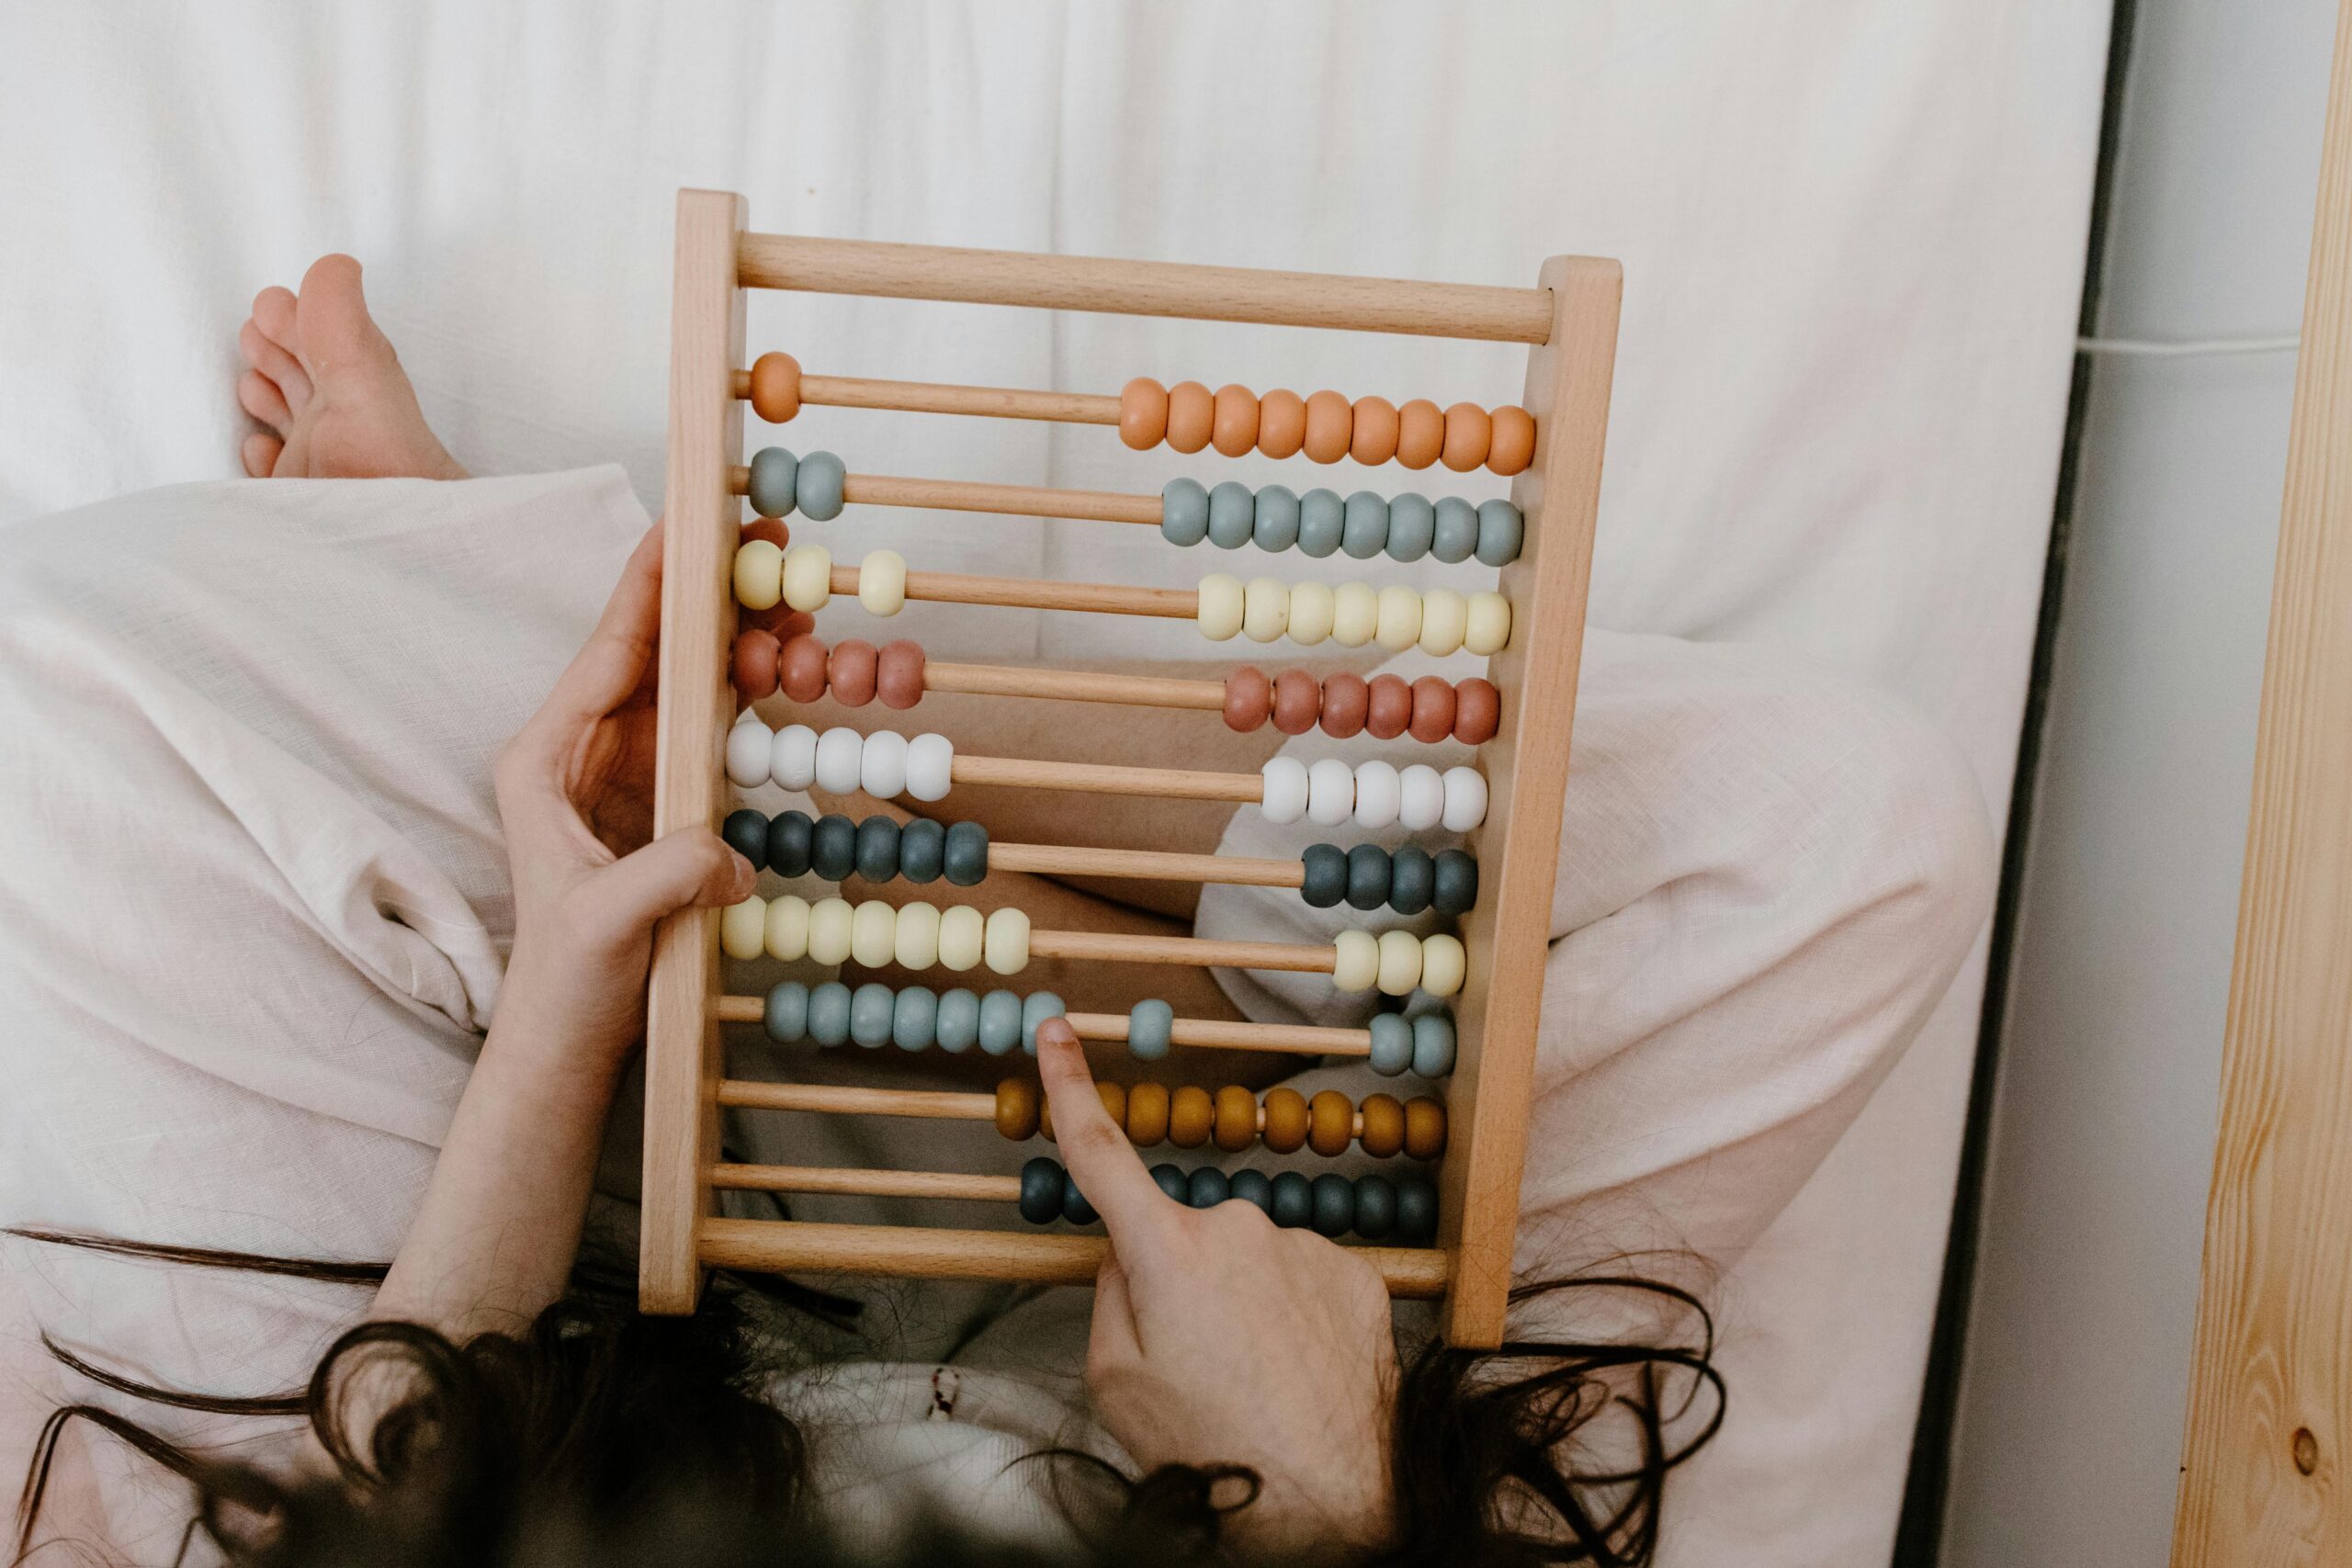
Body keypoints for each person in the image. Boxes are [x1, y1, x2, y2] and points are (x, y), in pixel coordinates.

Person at [0, 257, 1996, 1565]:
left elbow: (401, 1485)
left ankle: (695, 729)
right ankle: (731, 719)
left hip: (603, 1351)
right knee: (1849, 832)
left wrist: (560, 1021)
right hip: (1250, 1391)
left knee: (60, 709)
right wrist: (1309, 1491)